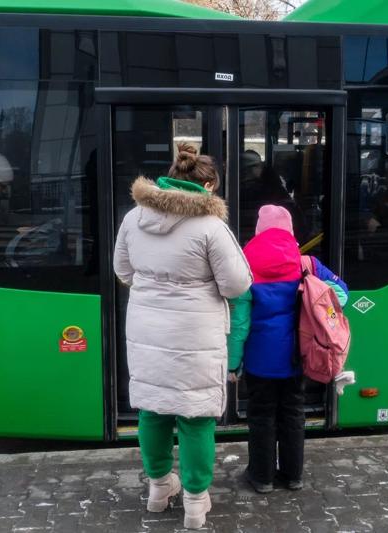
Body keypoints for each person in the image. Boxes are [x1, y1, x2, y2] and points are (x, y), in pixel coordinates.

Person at [113, 143, 252, 529]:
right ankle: (195, 502)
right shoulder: (210, 226)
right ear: (208, 186)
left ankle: (159, 489)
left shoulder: (133, 218)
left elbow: (123, 271)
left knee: (153, 411)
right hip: (196, 337)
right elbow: (237, 285)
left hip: (146, 332)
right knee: (195, 418)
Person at [229, 205, 348, 493]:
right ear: (290, 230)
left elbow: (240, 324)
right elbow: (341, 295)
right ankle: (293, 476)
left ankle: (262, 478)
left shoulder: (245, 267)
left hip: (259, 360)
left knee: (261, 415)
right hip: (297, 356)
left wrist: (232, 364)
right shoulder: (307, 264)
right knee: (293, 412)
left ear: (259, 231)